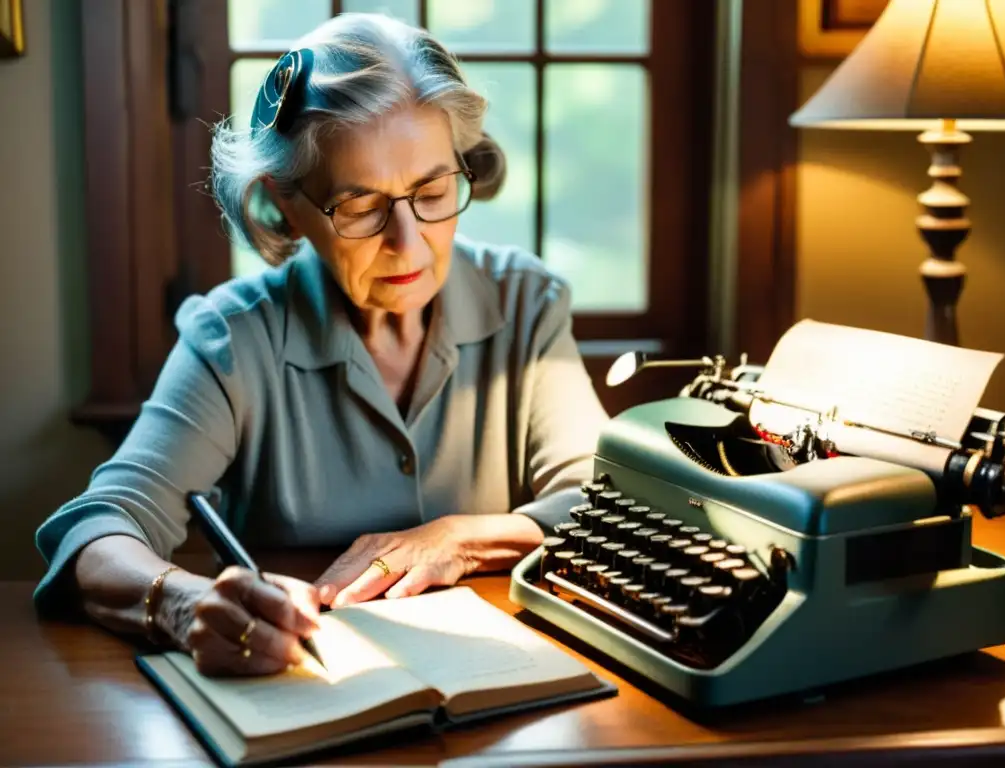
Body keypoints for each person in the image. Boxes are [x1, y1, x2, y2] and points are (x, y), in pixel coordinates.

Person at [32, 13, 608, 677]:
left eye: (433, 191)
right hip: (302, 690)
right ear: (282, 206)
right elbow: (97, 529)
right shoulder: (234, 337)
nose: (409, 242)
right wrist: (183, 604)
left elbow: (597, 499)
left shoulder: (526, 304)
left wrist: (457, 538)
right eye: (361, 206)